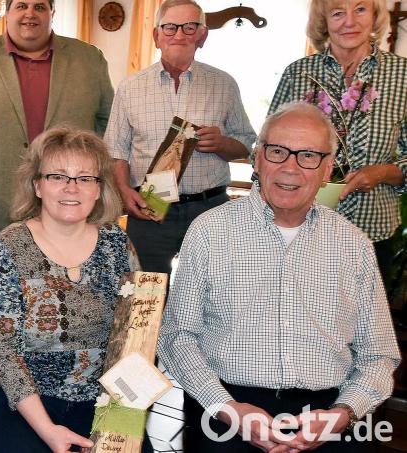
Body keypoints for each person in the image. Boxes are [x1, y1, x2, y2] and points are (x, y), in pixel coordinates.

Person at [157, 102, 400, 453]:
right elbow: (177, 336)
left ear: (328, 167)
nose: (290, 167)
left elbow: (379, 354)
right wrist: (226, 408)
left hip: (327, 412)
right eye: (277, 151)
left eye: (308, 156)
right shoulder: (209, 232)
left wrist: (344, 413)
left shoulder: (353, 244)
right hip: (227, 409)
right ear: (257, 159)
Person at [0, 0, 114, 381]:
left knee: (61, 279)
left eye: (39, 5)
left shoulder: (89, 59)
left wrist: (92, 182)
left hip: (65, 197)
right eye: (21, 4)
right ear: (7, 11)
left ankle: (60, 361)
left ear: (53, 12)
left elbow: (107, 125)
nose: (29, 13)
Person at [0, 127, 141, 453]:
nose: (71, 187)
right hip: (21, 401)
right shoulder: (10, 246)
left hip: (103, 396)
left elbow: (137, 334)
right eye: (57, 176)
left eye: (85, 178)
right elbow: (3, 352)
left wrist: (118, 422)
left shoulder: (117, 244)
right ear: (37, 185)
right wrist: (49, 431)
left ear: (99, 189)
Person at [105, 0, 256, 274]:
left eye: (189, 27)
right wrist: (125, 192)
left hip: (210, 209)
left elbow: (245, 143)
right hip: (149, 209)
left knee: (210, 295)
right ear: (156, 36)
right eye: (170, 27)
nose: (179, 35)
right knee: (145, 296)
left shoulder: (224, 84)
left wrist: (223, 144)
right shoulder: (130, 87)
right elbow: (116, 150)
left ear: (202, 35)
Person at [268, 0, 406, 275]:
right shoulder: (299, 73)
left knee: (365, 317)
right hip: (300, 230)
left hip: (372, 232)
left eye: (360, 9)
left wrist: (383, 172)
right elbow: (263, 149)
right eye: (338, 12)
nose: (349, 21)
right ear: (324, 21)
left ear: (375, 15)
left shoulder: (402, 75)